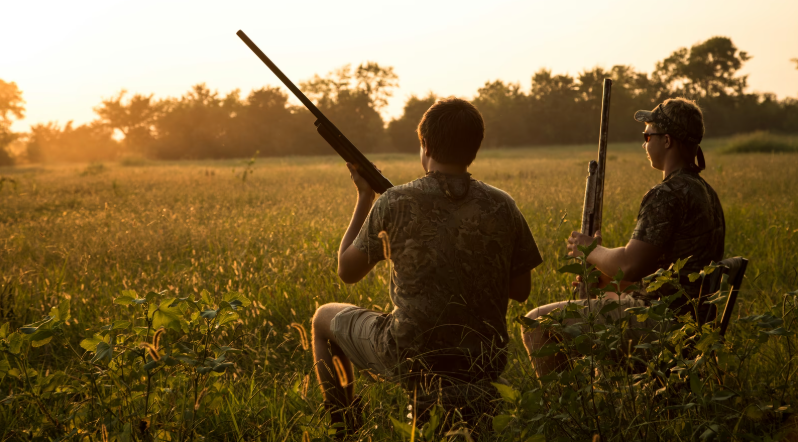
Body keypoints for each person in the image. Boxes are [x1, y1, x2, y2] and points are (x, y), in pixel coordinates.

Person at [311, 97, 543, 435]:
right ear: (474, 147)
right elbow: (521, 292)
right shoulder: (503, 205)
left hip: (410, 355)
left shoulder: (395, 201)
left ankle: (345, 429)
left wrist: (364, 198)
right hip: (482, 359)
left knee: (322, 319)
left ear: (425, 144)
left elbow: (347, 271)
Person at [522, 97, 725, 376]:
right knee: (602, 293)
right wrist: (607, 278)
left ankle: (565, 412)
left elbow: (630, 264)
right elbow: (663, 270)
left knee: (538, 323)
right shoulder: (705, 193)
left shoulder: (666, 194)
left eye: (647, 135)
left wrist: (589, 249)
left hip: (663, 323)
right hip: (692, 321)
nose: (645, 143)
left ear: (666, 140)